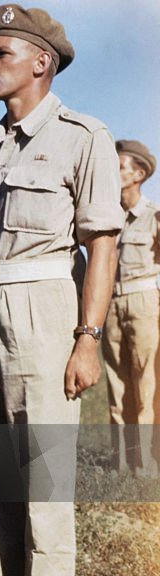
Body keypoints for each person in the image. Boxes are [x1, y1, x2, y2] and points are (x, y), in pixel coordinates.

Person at [0, 4, 122, 576]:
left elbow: (101, 243)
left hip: (44, 304)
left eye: (1, 55)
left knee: (43, 468)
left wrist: (88, 335)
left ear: (40, 62)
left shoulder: (83, 136)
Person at [101, 139, 158, 478]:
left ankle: (148, 462)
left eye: (120, 167)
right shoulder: (109, 216)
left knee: (146, 385)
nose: (114, 172)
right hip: (112, 304)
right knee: (116, 385)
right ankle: (121, 461)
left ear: (138, 174)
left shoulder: (154, 216)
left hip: (144, 301)